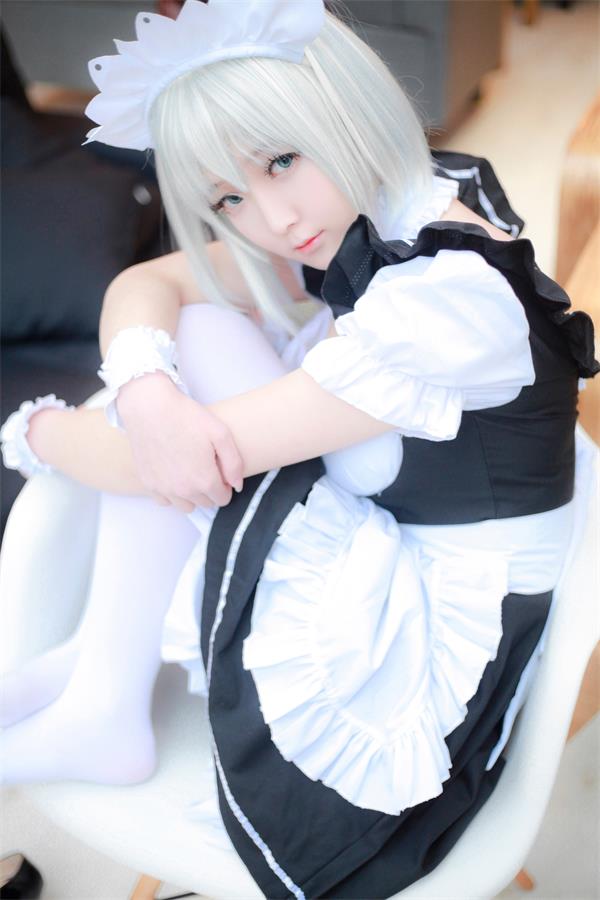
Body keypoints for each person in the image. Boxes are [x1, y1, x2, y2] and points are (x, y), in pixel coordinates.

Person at [0, 1, 597, 896]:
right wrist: (146, 389)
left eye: (281, 159)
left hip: (430, 644)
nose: (275, 219)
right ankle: (100, 675)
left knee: (197, 353)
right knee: (184, 350)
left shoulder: (443, 301)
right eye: (229, 197)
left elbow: (179, 467)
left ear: (339, 105)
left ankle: (104, 698)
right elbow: (146, 282)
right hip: (407, 527)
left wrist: (36, 431)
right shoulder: (378, 199)